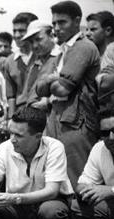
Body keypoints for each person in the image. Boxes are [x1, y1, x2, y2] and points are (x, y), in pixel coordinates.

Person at [36, 0, 100, 190]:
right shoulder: (63, 51)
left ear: (77, 21)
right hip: (58, 120)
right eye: (54, 24)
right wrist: (51, 79)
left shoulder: (83, 47)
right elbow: (39, 89)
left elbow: (61, 89)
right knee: (57, 181)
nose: (56, 28)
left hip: (77, 124)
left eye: (62, 22)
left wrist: (52, 82)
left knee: (78, 181)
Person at [70, 65, 114, 219]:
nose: (111, 138)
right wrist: (85, 190)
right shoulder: (100, 148)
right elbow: (83, 183)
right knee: (78, 206)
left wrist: (110, 190)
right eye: (105, 133)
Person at [2, 12, 38, 117]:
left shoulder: (44, 56)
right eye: (14, 31)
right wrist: (11, 119)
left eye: (21, 31)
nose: (17, 35)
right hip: (21, 114)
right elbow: (11, 96)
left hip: (43, 112)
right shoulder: (10, 61)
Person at [21, 20, 61, 110]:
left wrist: (48, 101)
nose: (34, 45)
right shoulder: (35, 62)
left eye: (39, 39)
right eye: (31, 42)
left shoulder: (62, 56)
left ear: (51, 36)